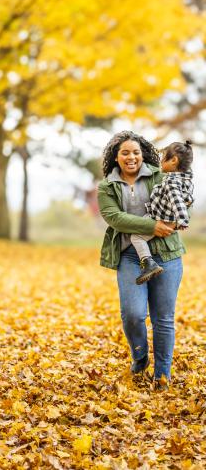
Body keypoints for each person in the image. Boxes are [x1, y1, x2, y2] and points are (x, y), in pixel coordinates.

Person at [98, 131, 186, 387]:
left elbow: (181, 202)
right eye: (125, 152)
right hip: (130, 256)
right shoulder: (107, 186)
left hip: (167, 255)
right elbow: (115, 217)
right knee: (133, 314)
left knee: (163, 318)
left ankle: (162, 374)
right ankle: (139, 356)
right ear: (116, 156)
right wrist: (152, 226)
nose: (131, 157)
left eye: (135, 152)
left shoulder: (160, 175)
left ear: (143, 154)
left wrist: (170, 222)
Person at [130, 140, 194, 284]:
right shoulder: (186, 179)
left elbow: (177, 201)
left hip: (162, 218)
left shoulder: (171, 182)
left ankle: (149, 263)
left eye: (163, 157)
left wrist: (182, 220)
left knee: (136, 237)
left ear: (173, 160)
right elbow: (187, 198)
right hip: (163, 214)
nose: (160, 161)